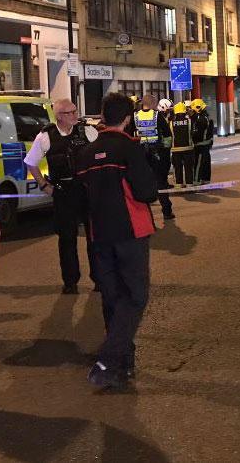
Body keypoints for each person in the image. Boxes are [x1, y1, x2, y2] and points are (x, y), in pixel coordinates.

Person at [75, 92, 159, 388]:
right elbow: (146, 191)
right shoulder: (129, 149)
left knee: (112, 298)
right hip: (130, 232)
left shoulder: (86, 153)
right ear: (127, 118)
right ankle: (109, 360)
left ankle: (122, 365)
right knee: (135, 296)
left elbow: (80, 196)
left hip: (100, 234)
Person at [24, 99, 98, 295]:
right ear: (58, 116)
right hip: (63, 191)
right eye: (70, 113)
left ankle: (99, 278)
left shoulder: (88, 132)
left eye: (75, 111)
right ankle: (70, 282)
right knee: (67, 239)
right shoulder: (46, 136)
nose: (75, 115)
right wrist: (43, 184)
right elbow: (30, 162)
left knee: (94, 236)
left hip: (87, 189)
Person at [134, 94, 174, 220]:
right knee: (161, 183)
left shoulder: (135, 116)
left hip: (141, 155)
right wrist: (166, 153)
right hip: (157, 154)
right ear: (152, 104)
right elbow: (167, 135)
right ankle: (167, 212)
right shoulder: (157, 116)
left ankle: (145, 217)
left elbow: (131, 135)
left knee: (144, 185)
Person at [170, 100, 196, 186]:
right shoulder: (189, 121)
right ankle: (189, 184)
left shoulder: (171, 122)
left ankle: (178, 184)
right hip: (188, 148)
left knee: (177, 167)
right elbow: (193, 132)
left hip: (175, 149)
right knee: (188, 167)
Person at [191, 99, 215, 183]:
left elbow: (197, 133)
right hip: (206, 144)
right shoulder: (206, 117)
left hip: (200, 145)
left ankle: (196, 181)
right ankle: (205, 179)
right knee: (205, 163)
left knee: (198, 164)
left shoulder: (200, 119)